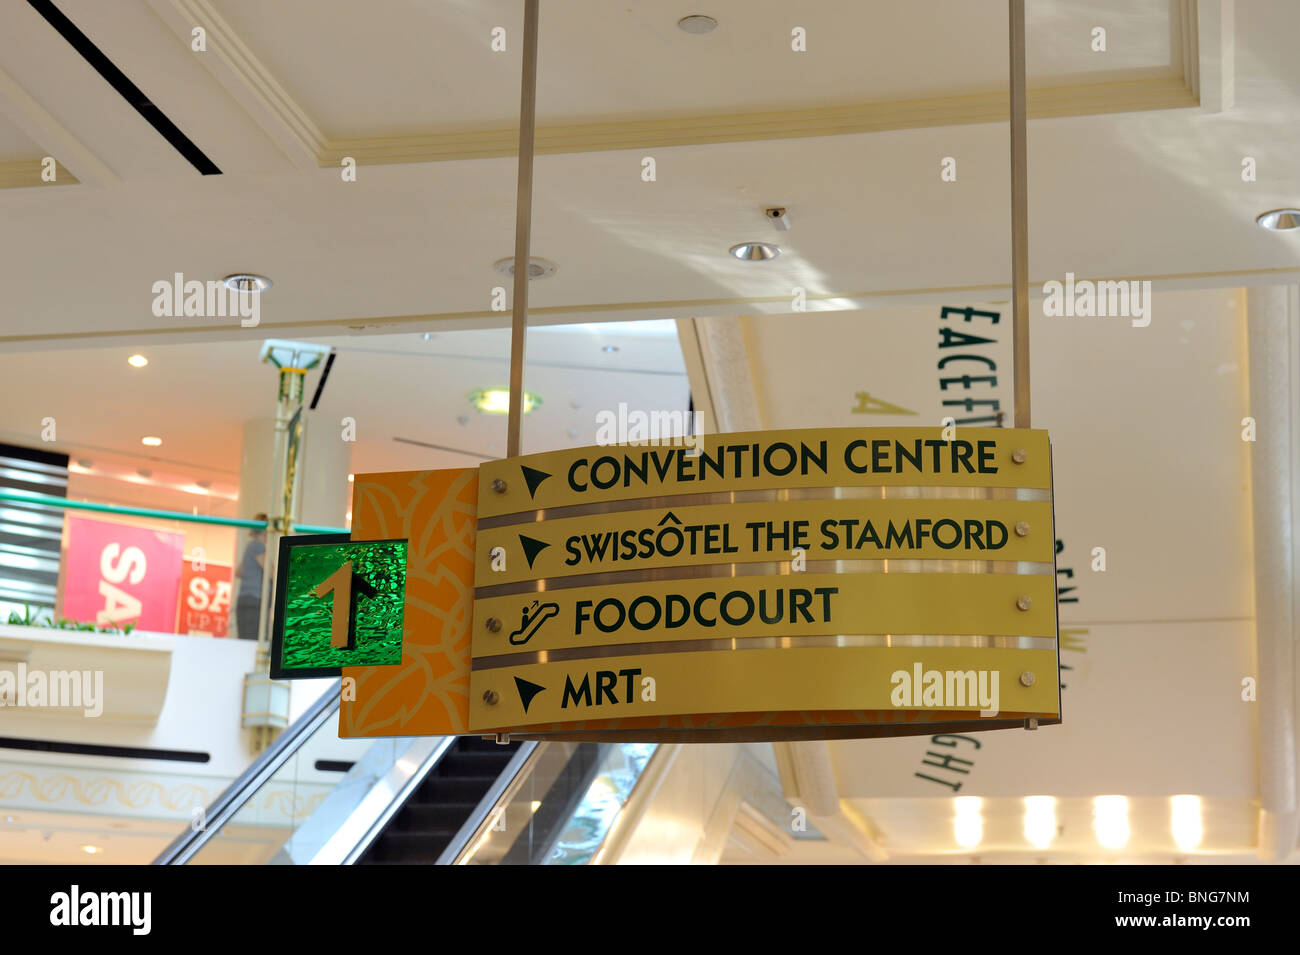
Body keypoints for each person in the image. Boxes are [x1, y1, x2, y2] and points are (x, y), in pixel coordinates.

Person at [236, 515, 268, 641]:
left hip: (243, 599)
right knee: (253, 639)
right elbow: (271, 572)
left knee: (244, 638)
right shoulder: (258, 547)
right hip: (254, 600)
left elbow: (238, 572)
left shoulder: (249, 546)